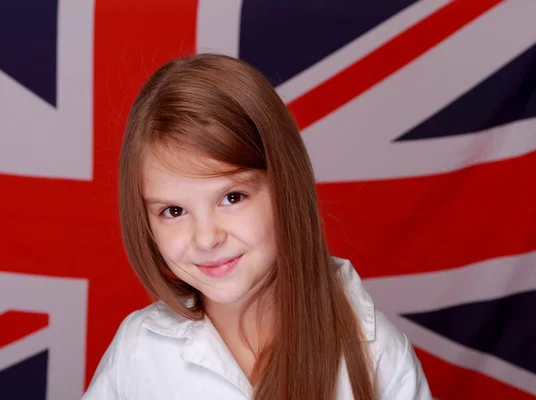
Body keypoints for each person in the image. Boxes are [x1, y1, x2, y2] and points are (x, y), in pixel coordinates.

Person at [82, 53, 432, 400]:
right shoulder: (139, 351)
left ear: (285, 189)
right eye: (174, 211)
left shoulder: (379, 356)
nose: (206, 238)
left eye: (232, 197)